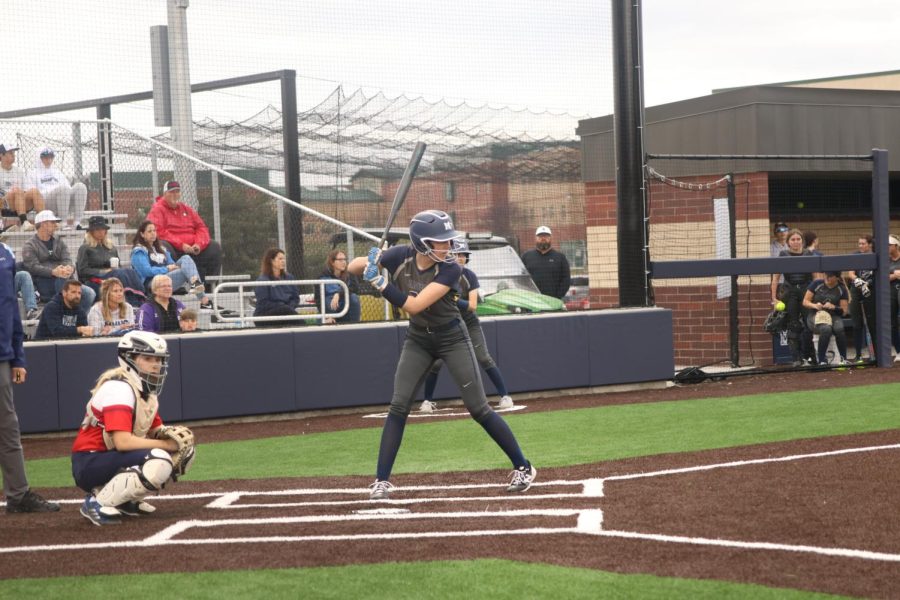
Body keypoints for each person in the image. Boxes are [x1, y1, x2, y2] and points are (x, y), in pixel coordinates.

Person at [347, 209, 536, 500]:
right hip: (418, 340)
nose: (448, 247)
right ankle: (381, 480)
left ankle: (523, 466)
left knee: (478, 408)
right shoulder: (400, 256)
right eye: (441, 241)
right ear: (422, 243)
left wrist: (381, 284)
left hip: (452, 337)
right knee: (398, 406)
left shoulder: (451, 269)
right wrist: (369, 259)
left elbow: (415, 305)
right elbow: (351, 267)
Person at [71, 331, 196, 525]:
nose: (156, 364)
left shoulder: (146, 392)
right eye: (148, 358)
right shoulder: (119, 389)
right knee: (159, 458)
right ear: (129, 360)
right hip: (90, 461)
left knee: (185, 452)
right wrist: (166, 445)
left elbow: (155, 429)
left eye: (159, 359)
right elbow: (123, 442)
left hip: (109, 457)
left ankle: (123, 500)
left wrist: (173, 437)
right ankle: (97, 502)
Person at [420, 239, 514, 412]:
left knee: (484, 358)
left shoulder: (469, 275)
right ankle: (427, 401)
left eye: (463, 255)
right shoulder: (439, 273)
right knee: (436, 363)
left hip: (469, 323)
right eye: (456, 254)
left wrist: (452, 299)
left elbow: (472, 306)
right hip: (447, 324)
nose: (460, 258)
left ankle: (505, 395)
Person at [1, 240, 59, 513]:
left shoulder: (5, 254)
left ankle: (18, 494)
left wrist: (17, 356)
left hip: (2, 356)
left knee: (8, 429)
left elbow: (11, 307)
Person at [147, 180, 222, 285]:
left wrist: (198, 244)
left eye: (177, 192)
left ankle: (209, 285)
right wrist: (181, 245)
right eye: (171, 192)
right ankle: (175, 284)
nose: (175, 195)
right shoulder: (157, 209)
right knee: (163, 246)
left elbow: (201, 227)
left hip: (192, 248)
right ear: (165, 194)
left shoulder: (187, 209)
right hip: (174, 249)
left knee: (214, 247)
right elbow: (159, 231)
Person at [21, 209, 95, 314]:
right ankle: (65, 315)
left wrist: (70, 268)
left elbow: (67, 259)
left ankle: (78, 317)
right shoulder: (29, 245)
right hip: (44, 283)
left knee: (90, 293)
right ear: (43, 224)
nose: (56, 225)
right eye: (52, 222)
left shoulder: (59, 241)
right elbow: (32, 267)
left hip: (65, 281)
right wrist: (53, 272)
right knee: (62, 279)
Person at [76, 216, 146, 305]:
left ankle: (140, 298)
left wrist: (114, 269)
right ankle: (130, 302)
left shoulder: (111, 247)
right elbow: (83, 271)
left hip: (114, 274)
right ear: (91, 232)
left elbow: (119, 266)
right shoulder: (85, 248)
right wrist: (103, 271)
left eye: (103, 229)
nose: (101, 232)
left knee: (130, 271)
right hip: (95, 279)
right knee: (119, 273)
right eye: (97, 229)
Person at [771, 229, 815, 366]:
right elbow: (776, 277)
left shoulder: (808, 254)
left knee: (810, 324)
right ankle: (796, 358)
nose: (796, 242)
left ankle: (810, 357)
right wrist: (774, 298)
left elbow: (815, 276)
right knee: (793, 325)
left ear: (802, 240)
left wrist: (816, 295)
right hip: (790, 292)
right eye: (793, 239)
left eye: (798, 239)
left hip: (806, 291)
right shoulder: (783, 254)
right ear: (788, 242)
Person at [27, 147, 87, 230]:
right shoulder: (32, 173)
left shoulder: (57, 172)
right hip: (45, 203)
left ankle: (77, 223)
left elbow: (68, 188)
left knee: (80, 186)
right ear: (39, 158)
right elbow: (32, 193)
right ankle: (62, 223)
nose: (49, 160)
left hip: (63, 201)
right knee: (63, 189)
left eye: (51, 157)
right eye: (45, 157)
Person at [802, 271, 850, 365]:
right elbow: (805, 302)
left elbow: (844, 311)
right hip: (815, 314)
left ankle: (843, 358)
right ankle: (822, 360)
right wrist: (815, 305)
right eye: (826, 275)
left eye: (830, 276)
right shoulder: (817, 284)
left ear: (837, 278)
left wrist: (834, 307)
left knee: (839, 328)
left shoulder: (841, 289)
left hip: (833, 315)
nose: (827, 278)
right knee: (826, 328)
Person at [0, 142, 43, 233]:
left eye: (14, 153)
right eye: (10, 153)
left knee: (34, 191)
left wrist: (20, 194)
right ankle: (24, 222)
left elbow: (26, 189)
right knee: (16, 190)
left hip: (21, 203)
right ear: (1, 156)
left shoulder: (19, 171)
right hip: (5, 205)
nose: (13, 155)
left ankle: (43, 222)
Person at [521, 225, 570, 299]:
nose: (543, 238)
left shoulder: (560, 257)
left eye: (546, 236)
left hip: (553, 301)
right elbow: (521, 278)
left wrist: (557, 297)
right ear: (536, 238)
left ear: (551, 238)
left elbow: (566, 279)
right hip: (531, 301)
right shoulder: (526, 256)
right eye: (540, 236)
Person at [253, 248, 301, 322]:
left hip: (286, 312)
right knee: (286, 311)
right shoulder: (262, 280)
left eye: (284, 259)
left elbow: (295, 298)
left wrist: (289, 307)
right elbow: (263, 303)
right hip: (265, 315)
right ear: (271, 261)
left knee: (288, 313)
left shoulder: (289, 277)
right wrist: (281, 306)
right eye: (280, 259)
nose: (283, 261)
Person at [315, 249, 361, 324]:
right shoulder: (322, 276)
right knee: (327, 299)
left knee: (353, 297)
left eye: (344, 259)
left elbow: (354, 288)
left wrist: (338, 294)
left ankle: (354, 325)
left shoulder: (350, 274)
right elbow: (318, 298)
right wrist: (327, 316)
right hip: (329, 309)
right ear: (332, 262)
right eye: (340, 260)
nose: (343, 262)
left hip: (345, 307)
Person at [847, 235, 874, 360]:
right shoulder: (855, 255)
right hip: (856, 290)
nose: (861, 246)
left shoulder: (874, 255)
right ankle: (858, 354)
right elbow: (851, 273)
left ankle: (875, 352)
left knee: (872, 322)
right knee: (857, 324)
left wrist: (867, 283)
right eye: (859, 243)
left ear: (869, 244)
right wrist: (857, 279)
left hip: (870, 290)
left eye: (863, 243)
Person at [1, 242, 41, 321]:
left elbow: (11, 270)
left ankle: (31, 311)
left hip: (5, 283)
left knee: (23, 275)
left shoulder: (4, 249)